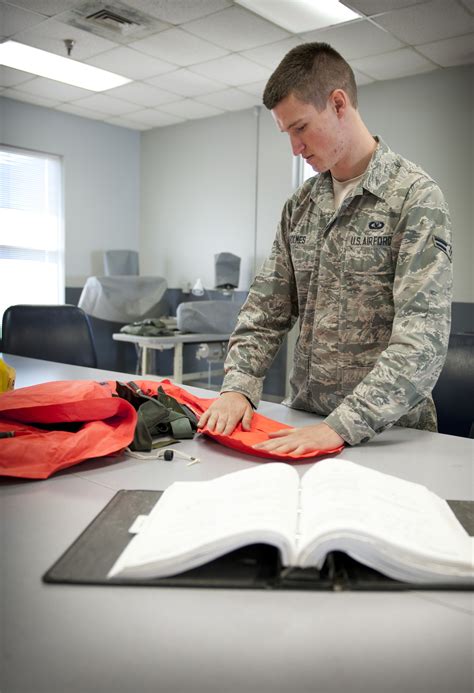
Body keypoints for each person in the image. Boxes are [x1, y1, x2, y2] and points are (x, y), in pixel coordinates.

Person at [198, 42, 452, 455]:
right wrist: (238, 387)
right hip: (305, 422)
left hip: (390, 436)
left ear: (338, 104)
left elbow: (422, 339)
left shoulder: (414, 197)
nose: (295, 148)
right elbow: (265, 311)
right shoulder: (301, 206)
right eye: (287, 134)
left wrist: (342, 426)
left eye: (300, 128)